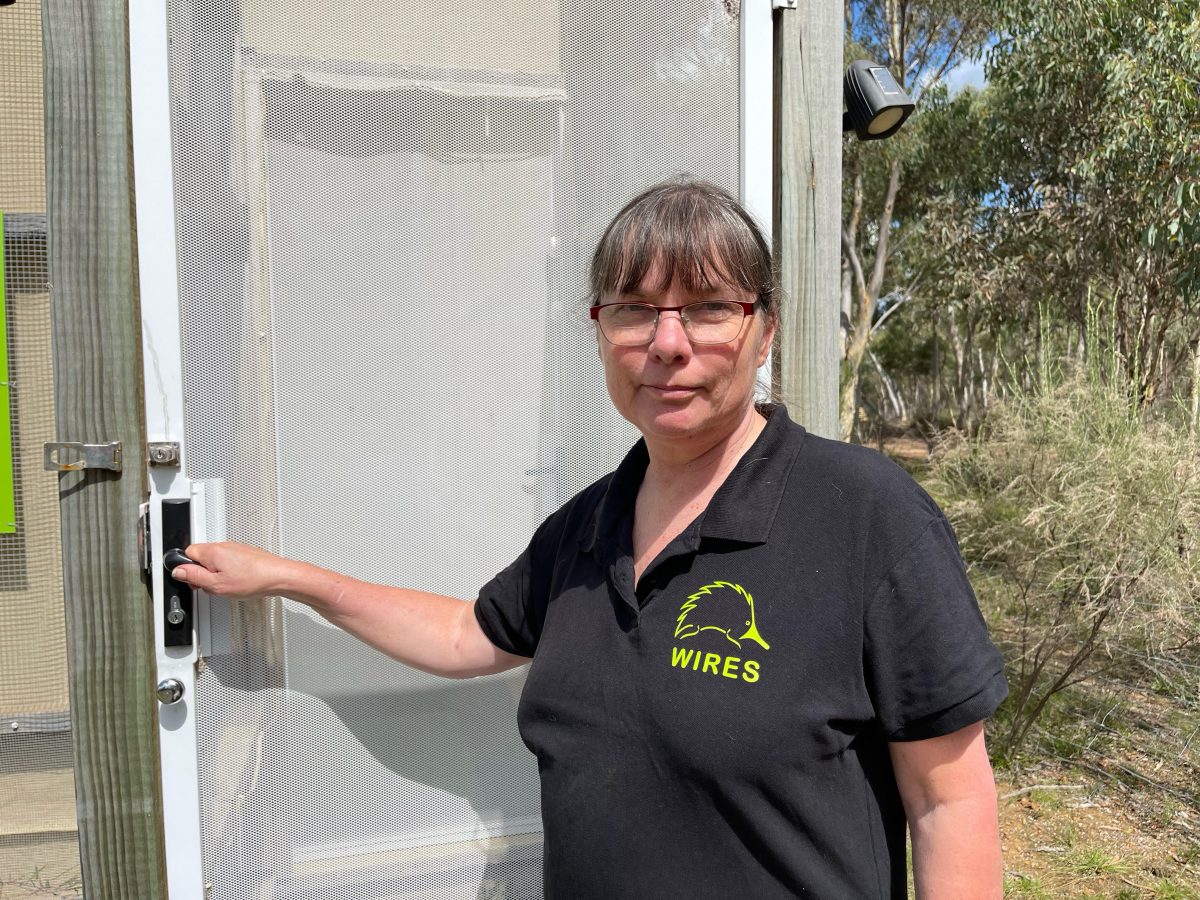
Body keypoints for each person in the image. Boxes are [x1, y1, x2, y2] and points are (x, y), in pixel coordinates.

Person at [174, 179, 1007, 898]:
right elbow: (469, 632)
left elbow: (950, 802)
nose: (667, 344)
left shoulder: (867, 516)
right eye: (634, 311)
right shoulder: (589, 524)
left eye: (710, 309)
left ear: (765, 329)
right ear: (600, 328)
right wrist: (291, 577)